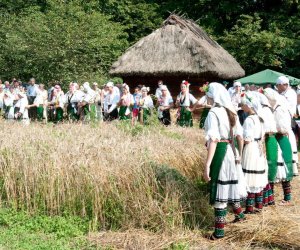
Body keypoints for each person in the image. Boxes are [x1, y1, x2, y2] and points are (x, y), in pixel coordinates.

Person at [204, 82, 246, 240]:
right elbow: (238, 134)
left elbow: (214, 139)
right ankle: (240, 215)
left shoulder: (214, 112)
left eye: (208, 94)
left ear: (213, 96)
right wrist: (238, 154)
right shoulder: (230, 111)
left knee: (220, 189)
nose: (207, 97)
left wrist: (207, 165)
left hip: (221, 152)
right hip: (230, 151)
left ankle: (219, 232)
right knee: (228, 185)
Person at [264, 88, 294, 205]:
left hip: (281, 139)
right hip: (273, 139)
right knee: (271, 167)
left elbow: (283, 128)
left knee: (284, 168)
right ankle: (271, 198)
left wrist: (271, 131)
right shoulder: (269, 109)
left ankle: (287, 198)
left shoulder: (279, 109)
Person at [240, 92, 268, 214]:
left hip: (251, 147)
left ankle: (250, 207)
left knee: (250, 175)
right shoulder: (260, 119)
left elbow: (247, 138)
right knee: (258, 175)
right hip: (259, 147)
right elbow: (262, 136)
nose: (242, 106)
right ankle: (259, 205)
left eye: (244, 105)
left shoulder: (249, 120)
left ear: (249, 106)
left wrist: (239, 143)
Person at [252, 91, 277, 206]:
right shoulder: (268, 110)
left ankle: (265, 200)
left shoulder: (263, 111)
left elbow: (264, 130)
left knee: (263, 169)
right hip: (270, 140)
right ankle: (269, 198)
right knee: (267, 169)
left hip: (266, 140)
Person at [276, 76, 298, 176]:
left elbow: (287, 108)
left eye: (278, 85)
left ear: (283, 85)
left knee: (289, 142)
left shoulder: (291, 93)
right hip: (282, 120)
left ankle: (292, 168)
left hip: (286, 121)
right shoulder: (282, 93)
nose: (277, 87)